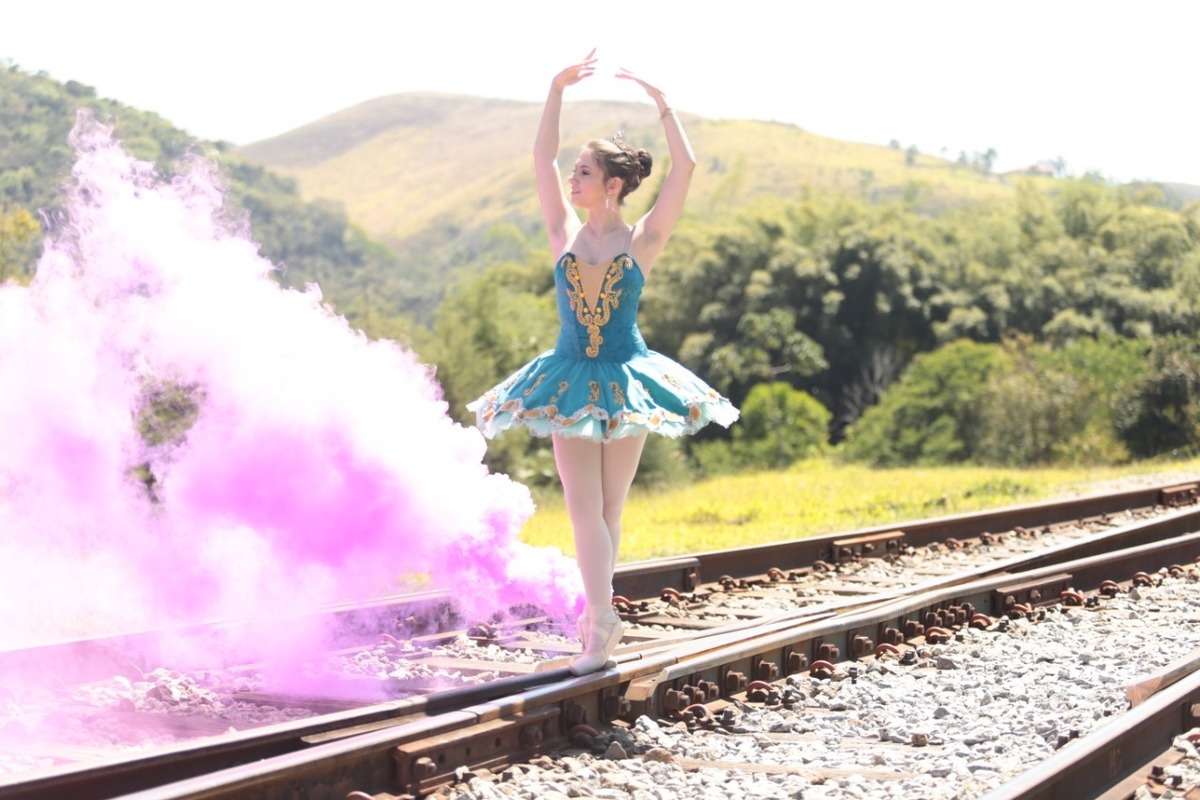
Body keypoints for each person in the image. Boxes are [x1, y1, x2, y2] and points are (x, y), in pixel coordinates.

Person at [467, 52, 738, 675]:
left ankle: (599, 621)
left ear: (612, 184)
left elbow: (686, 167)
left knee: (605, 508)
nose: (573, 179)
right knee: (588, 505)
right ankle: (600, 622)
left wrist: (664, 105)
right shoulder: (562, 230)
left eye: (584, 172)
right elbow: (542, 157)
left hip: (625, 377)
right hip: (569, 376)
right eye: (576, 171)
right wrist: (555, 90)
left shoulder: (643, 240)